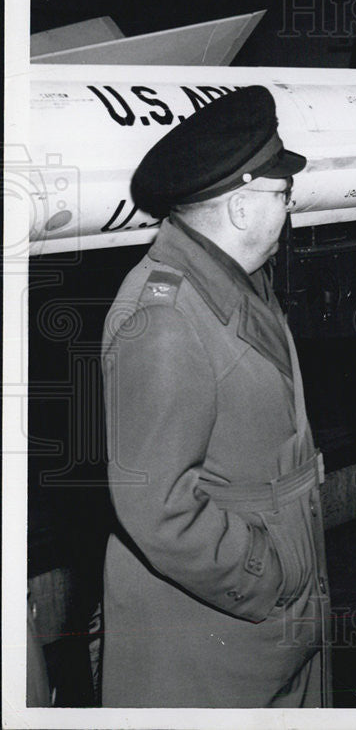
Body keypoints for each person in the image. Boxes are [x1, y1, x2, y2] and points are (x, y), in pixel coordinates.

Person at [101, 86, 331, 707]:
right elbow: (159, 510)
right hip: (218, 633)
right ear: (238, 208)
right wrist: (272, 570)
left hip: (267, 628)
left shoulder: (238, 280)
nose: (290, 210)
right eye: (282, 196)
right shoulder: (166, 319)